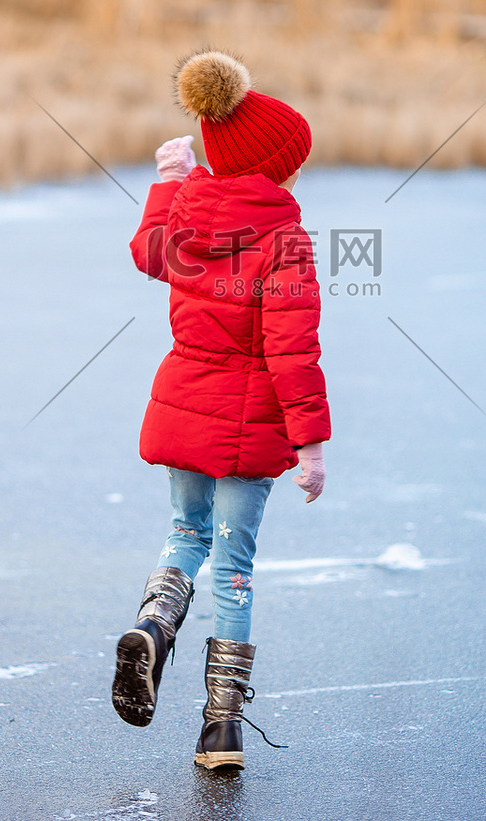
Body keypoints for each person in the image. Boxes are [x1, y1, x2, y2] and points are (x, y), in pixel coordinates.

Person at [111, 50, 331, 771]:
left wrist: (167, 179)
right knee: (234, 567)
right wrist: (311, 444)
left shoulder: (186, 211)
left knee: (185, 533)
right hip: (249, 426)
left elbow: (146, 252)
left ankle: (153, 624)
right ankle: (220, 732)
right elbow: (291, 350)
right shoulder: (286, 238)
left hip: (183, 410)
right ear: (278, 169)